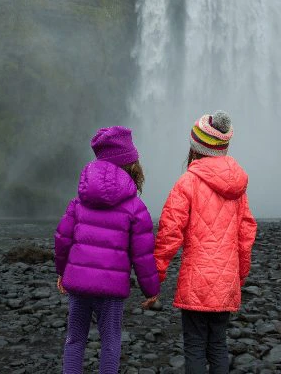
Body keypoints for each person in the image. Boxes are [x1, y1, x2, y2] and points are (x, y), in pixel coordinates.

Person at [151, 110, 257, 374]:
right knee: (219, 346)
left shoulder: (187, 182)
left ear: (195, 147)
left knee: (195, 347)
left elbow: (169, 232)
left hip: (196, 280)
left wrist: (155, 276)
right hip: (225, 280)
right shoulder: (238, 188)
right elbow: (246, 233)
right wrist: (240, 275)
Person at [54, 126, 160, 374]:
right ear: (132, 165)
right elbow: (142, 255)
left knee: (75, 339)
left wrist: (62, 272)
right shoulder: (136, 206)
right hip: (111, 288)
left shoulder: (79, 201)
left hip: (78, 283)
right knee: (111, 342)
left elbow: (62, 239)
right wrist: (151, 289)